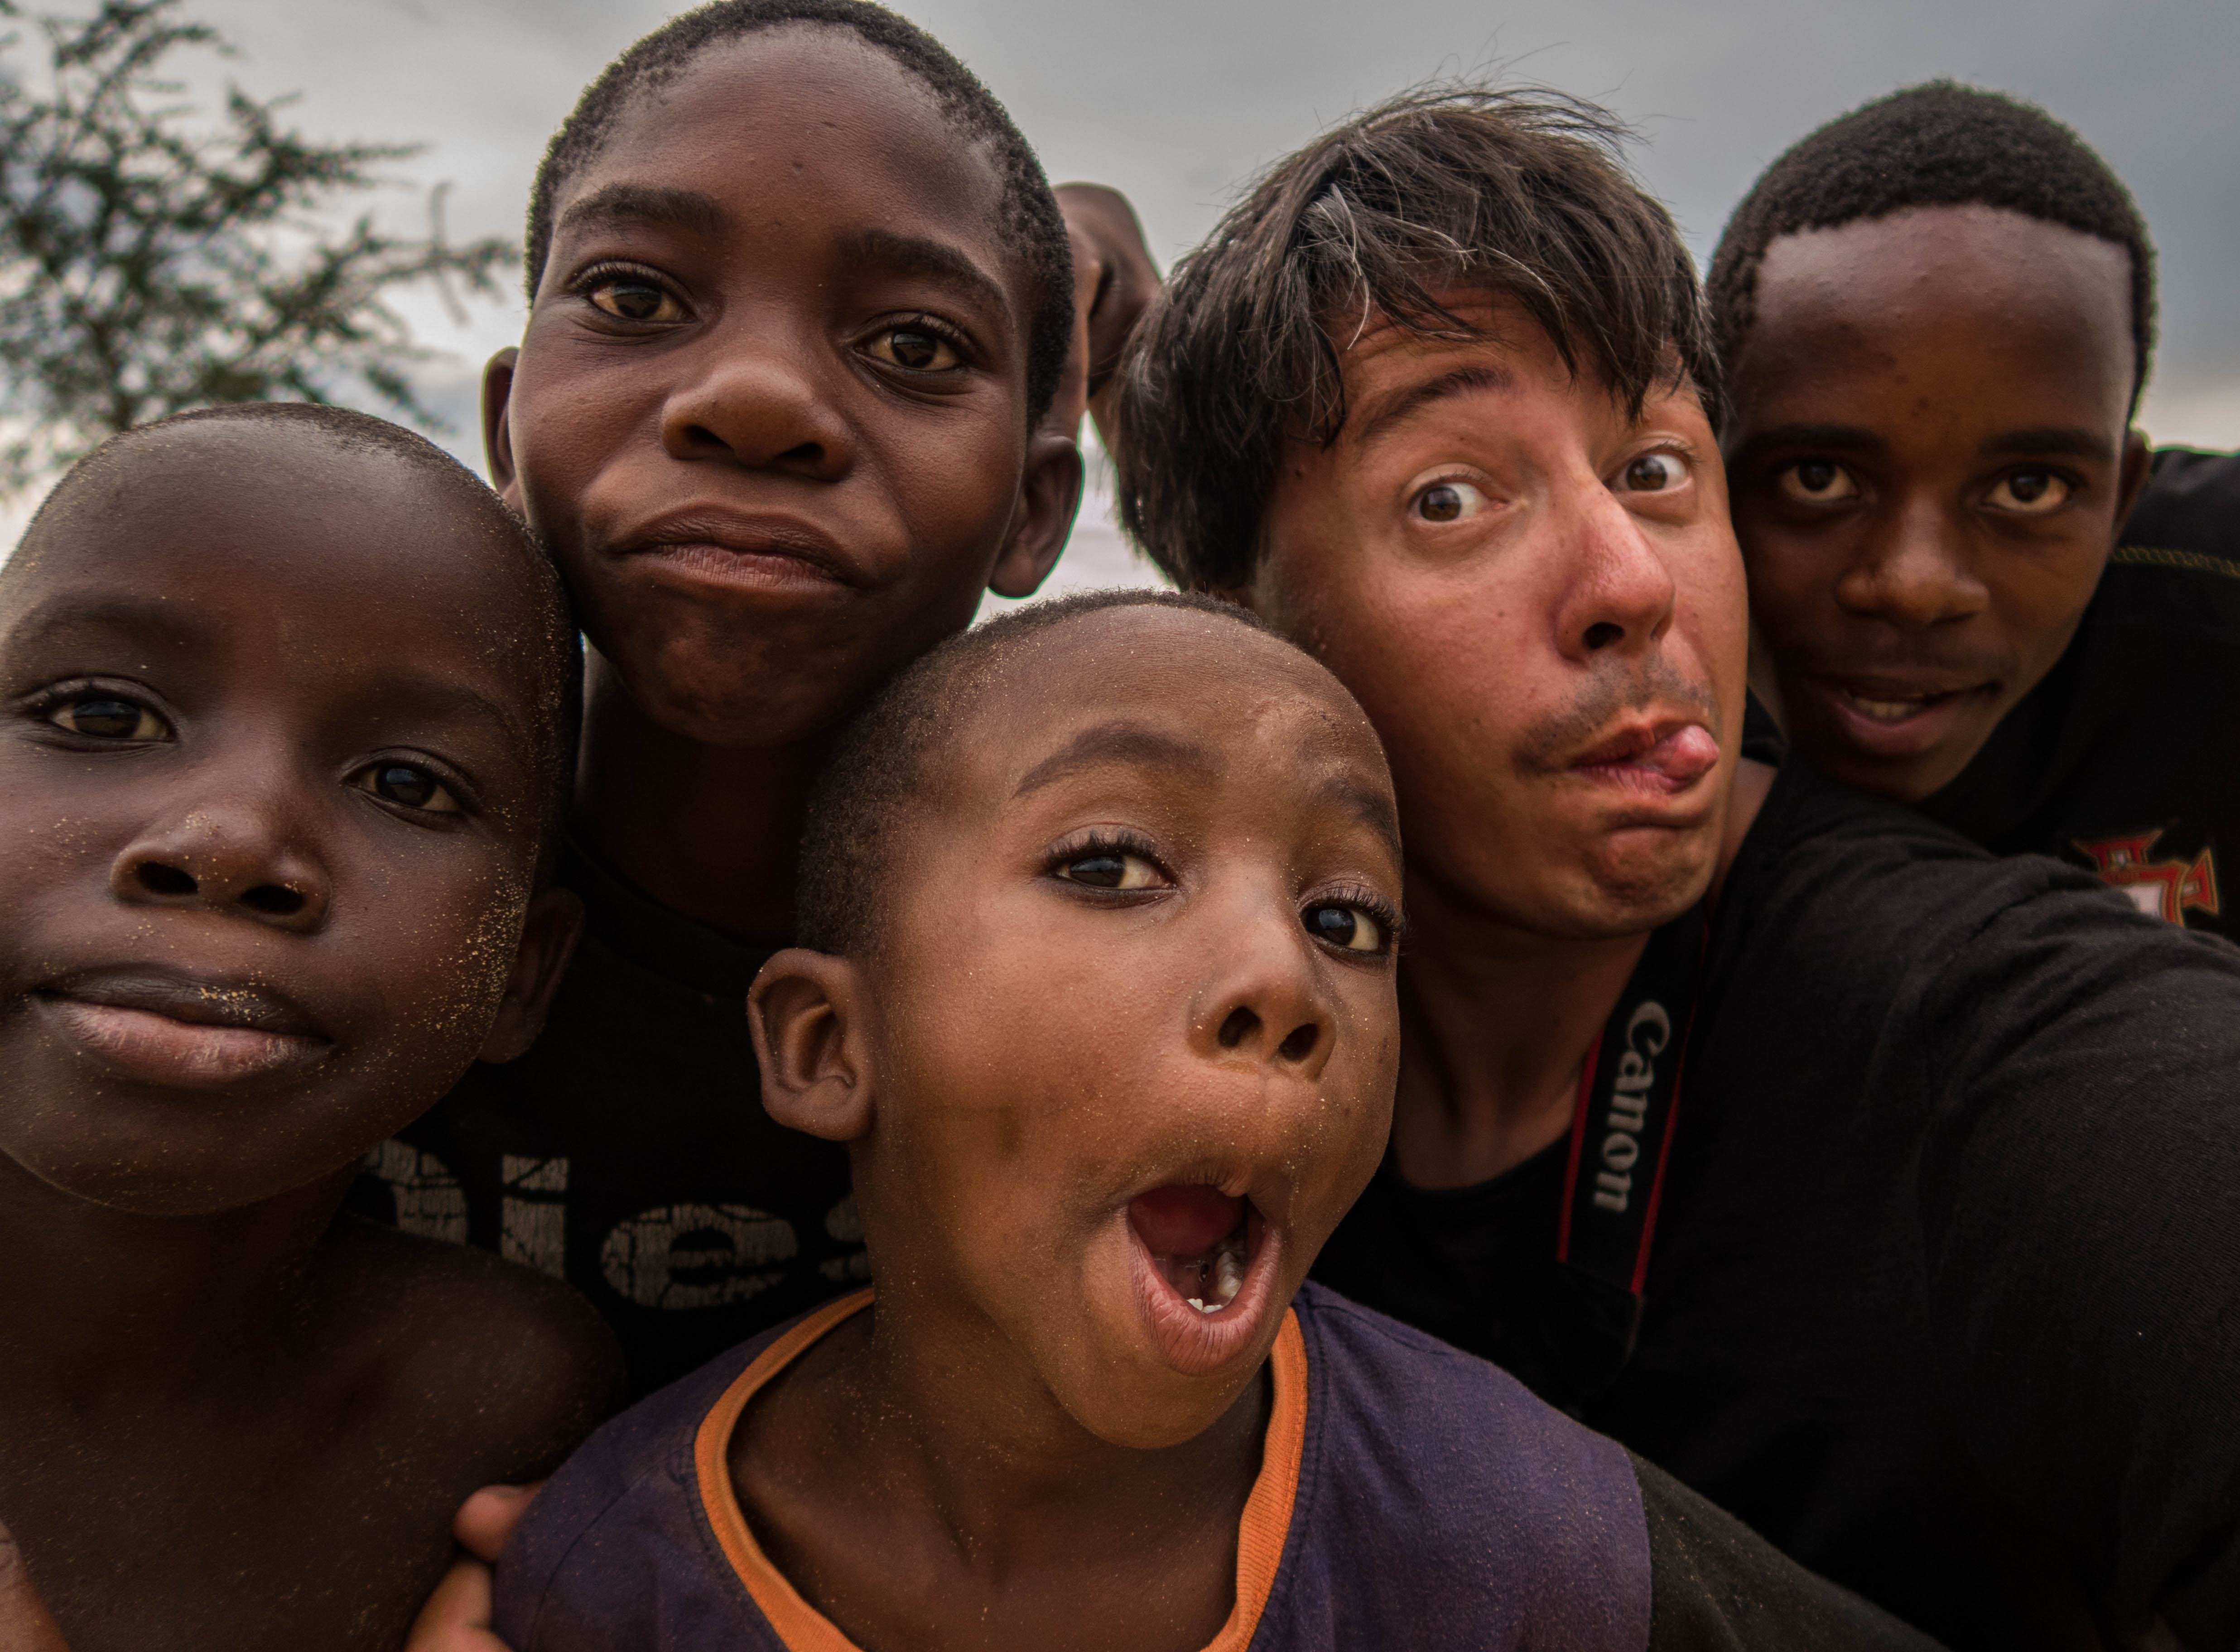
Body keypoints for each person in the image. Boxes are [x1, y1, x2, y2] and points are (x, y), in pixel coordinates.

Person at [1104, 87, 2240, 1652]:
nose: (1629, 580)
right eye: (1452, 496)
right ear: (1239, 624)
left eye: (1654, 472)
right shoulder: (1166, 1032)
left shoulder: (1989, 1038)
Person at [490, 591, 1941, 1652]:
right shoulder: (612, 1575)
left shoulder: (1517, 1546)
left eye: (1347, 916)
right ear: (827, 1045)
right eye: (1113, 865)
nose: (1281, 975)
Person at [360, 0, 1094, 1397]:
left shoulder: (1101, 959)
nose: (755, 399)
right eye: (636, 298)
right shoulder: (302, 845)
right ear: (508, 424)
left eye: (918, 347)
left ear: (1032, 506)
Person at [0, 405, 621, 1651]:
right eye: (102, 717)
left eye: (409, 785)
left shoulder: (488, 1403)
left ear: (521, 974)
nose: (229, 846)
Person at [1705, 82, 2240, 1018]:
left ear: (2122, 500)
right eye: (1818, 477)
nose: (1914, 586)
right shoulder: (1582, 655)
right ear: (1706, 466)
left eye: (2027, 489)